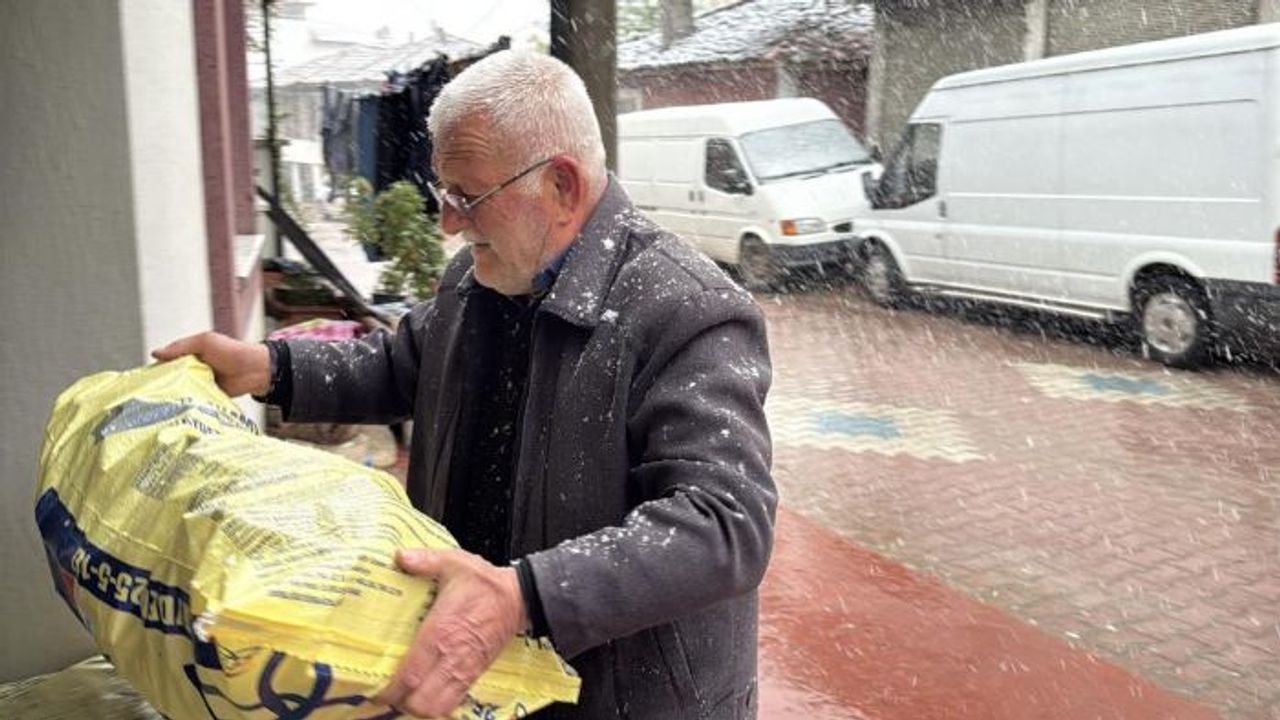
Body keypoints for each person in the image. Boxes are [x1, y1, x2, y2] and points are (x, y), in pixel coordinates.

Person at [153, 51, 775, 719]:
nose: (448, 221)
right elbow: (402, 368)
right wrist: (269, 367)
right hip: (480, 678)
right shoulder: (478, 280)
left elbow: (724, 525)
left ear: (561, 186)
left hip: (625, 702)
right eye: (443, 193)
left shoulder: (687, 309)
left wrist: (526, 596)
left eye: (467, 197)